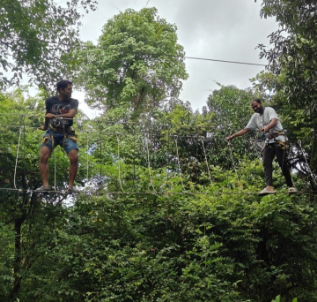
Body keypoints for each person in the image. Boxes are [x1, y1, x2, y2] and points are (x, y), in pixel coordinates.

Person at [226, 98, 297, 196]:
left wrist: (266, 127)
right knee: (266, 162)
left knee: (282, 163)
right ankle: (269, 187)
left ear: (261, 103)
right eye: (253, 107)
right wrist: (232, 136)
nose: (255, 108)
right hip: (269, 141)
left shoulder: (269, 110)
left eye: (256, 105)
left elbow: (274, 121)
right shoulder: (255, 117)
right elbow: (245, 130)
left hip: (279, 138)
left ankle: (291, 186)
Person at [35, 80, 80, 193]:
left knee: (74, 157)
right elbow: (47, 115)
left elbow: (71, 114)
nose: (71, 91)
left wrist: (55, 115)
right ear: (61, 90)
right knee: (43, 156)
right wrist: (45, 127)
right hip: (52, 131)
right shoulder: (50, 101)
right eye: (69, 89)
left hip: (67, 132)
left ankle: (70, 187)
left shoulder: (73, 102)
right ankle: (45, 186)